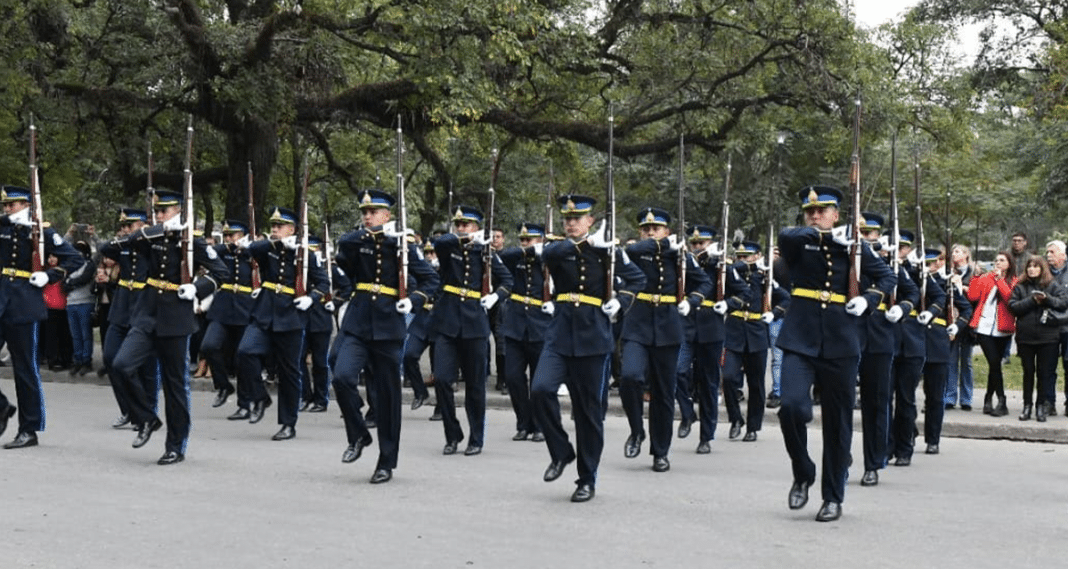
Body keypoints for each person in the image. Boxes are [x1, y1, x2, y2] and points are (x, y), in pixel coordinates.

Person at [776, 186, 894, 522]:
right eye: (810, 211)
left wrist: (868, 299)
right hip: (800, 337)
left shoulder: (855, 247)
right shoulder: (800, 241)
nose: (815, 215)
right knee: (791, 408)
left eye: (823, 210)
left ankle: (833, 497)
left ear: (836, 213)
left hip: (841, 341)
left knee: (838, 422)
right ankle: (803, 469)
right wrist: (828, 236)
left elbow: (887, 277)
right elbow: (786, 237)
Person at [530, 194, 645, 502]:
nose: (570, 223)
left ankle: (587, 479)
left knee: (588, 413)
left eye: (577, 219)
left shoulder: (610, 251)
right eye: (567, 219)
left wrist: (619, 302)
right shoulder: (558, 247)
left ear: (590, 220)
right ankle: (560, 451)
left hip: (594, 336)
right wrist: (590, 243)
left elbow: (637, 279)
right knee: (540, 389)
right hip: (560, 335)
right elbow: (548, 254)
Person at [109, 190, 228, 465]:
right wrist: (159, 229)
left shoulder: (193, 241)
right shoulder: (153, 235)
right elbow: (124, 242)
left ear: (180, 211)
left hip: (176, 317)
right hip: (147, 312)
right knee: (121, 365)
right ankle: (147, 418)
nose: (160, 215)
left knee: (175, 385)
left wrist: (196, 288)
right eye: (158, 211)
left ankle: (175, 445)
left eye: (165, 211)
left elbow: (219, 272)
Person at [331, 188, 439, 483]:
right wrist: (379, 234)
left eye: (373, 212)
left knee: (389, 399)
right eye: (364, 212)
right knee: (341, 377)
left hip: (389, 327)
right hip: (358, 322)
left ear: (388, 215)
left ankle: (386, 462)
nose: (367, 216)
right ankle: (358, 435)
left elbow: (431, 280)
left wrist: (414, 300)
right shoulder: (359, 240)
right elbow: (343, 245)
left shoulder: (405, 246)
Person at [618, 207, 711, 472]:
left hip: (669, 327)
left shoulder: (680, 256)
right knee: (630, 377)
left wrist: (692, 301)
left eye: (656, 229)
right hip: (637, 325)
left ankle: (660, 451)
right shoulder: (636, 252)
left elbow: (703, 283)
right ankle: (636, 430)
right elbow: (626, 256)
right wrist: (656, 245)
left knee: (663, 393)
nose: (650, 233)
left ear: (667, 231)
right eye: (646, 229)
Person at [0, 185, 86, 448]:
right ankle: (2, 407)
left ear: (26, 204)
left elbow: (74, 259)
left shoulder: (42, 231)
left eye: (11, 205)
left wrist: (49, 275)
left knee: (25, 369)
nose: (6, 209)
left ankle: (29, 429)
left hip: (24, 303)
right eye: (5, 205)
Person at [236, 206, 328, 440]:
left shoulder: (307, 254)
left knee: (289, 372)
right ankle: (260, 397)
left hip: (291, 315)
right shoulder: (269, 249)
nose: (274, 229)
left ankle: (288, 423)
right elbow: (251, 249)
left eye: (280, 226)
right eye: (273, 226)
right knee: (245, 352)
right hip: (265, 311)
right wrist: (276, 242)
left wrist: (312, 298)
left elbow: (323, 283)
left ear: (293, 229)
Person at [430, 205, 512, 456]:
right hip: (447, 322)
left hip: (475, 324)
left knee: (476, 386)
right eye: (459, 225)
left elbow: (508, 281)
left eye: (467, 225)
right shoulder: (450, 246)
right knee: (443, 379)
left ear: (477, 226)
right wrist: (465, 238)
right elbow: (439, 241)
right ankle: (452, 433)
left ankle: (476, 437)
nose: (461, 228)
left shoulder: (486, 253)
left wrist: (495, 297)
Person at [674, 225, 749, 453]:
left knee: (708, 384)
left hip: (711, 329)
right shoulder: (682, 263)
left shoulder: (721, 266)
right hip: (685, 327)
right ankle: (688, 414)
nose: (697, 247)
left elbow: (745, 293)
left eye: (701, 243)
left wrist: (728, 304)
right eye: (694, 243)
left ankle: (706, 436)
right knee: (675, 371)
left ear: (710, 243)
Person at [856, 215, 917, 487]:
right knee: (840, 402)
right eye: (863, 232)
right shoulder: (847, 256)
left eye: (873, 232)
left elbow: (912, 292)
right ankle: (839, 455)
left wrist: (901, 308)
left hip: (879, 335)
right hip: (844, 333)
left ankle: (874, 461)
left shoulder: (889, 264)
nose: (869, 237)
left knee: (877, 402)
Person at [99, 208, 161, 430]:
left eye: (129, 225)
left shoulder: (153, 244)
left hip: (144, 305)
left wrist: (147, 234)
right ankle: (128, 409)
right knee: (110, 357)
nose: (125, 230)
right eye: (123, 226)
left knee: (146, 366)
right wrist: (127, 237)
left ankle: (148, 411)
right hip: (123, 305)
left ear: (143, 225)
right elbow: (104, 248)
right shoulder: (124, 244)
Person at [721, 241, 787, 442]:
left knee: (756, 384)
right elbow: (728, 270)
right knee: (729, 378)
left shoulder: (765, 279)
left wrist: (774, 313)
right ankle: (735, 419)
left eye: (747, 256)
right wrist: (749, 265)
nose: (742, 260)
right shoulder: (731, 276)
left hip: (757, 333)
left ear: (757, 255)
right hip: (734, 332)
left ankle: (752, 426)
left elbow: (785, 299)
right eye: (739, 256)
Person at [497, 222, 551, 442]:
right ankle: (523, 423)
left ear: (541, 240)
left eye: (530, 240)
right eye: (522, 240)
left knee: (539, 382)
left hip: (541, 327)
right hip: (516, 326)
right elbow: (501, 255)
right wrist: (528, 250)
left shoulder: (550, 260)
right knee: (513, 378)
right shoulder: (516, 258)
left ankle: (539, 425)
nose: (525, 243)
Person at [199, 220, 255, 415]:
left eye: (233, 235)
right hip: (222, 307)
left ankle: (244, 404)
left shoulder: (253, 252)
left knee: (242, 359)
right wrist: (230, 245)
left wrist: (249, 247)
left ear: (244, 235)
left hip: (245, 307)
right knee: (209, 345)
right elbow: (210, 251)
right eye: (227, 235)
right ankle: (223, 385)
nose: (229, 238)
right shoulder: (223, 252)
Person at [919, 249, 972, 455]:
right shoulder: (916, 282)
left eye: (935, 263)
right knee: (904, 394)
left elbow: (966, 309)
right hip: (912, 340)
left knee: (935, 396)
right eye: (927, 263)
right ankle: (907, 430)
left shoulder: (947, 285)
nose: (931, 267)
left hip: (938, 342)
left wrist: (957, 326)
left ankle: (933, 438)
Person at [1008, 256, 1067, 422]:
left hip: (1048, 337)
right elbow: (1013, 307)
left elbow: (1063, 303)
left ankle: (1041, 406)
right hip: (1026, 338)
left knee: (1045, 373)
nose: (1032, 269)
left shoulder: (1053, 285)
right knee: (1028, 372)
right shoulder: (1020, 287)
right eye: (1029, 267)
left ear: (1042, 269)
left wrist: (1046, 299)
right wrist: (1032, 301)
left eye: (1035, 266)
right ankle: (1027, 405)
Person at [967, 251, 1017, 417]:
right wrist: (975, 277)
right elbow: (973, 296)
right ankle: (1001, 401)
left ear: (1009, 264)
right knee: (995, 363)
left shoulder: (1014, 280)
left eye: (1002, 260)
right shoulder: (986, 277)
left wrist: (1000, 280)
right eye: (996, 260)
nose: (998, 263)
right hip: (983, 327)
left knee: (994, 366)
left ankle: (988, 399)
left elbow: (1010, 298)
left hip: (1003, 328)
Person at [945, 244, 978, 410]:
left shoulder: (975, 273)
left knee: (966, 361)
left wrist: (963, 287)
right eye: (952, 251)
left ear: (966, 254)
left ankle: (966, 398)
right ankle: (950, 397)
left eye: (957, 251)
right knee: (951, 361)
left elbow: (979, 295)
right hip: (952, 320)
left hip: (968, 321)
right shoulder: (948, 272)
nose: (953, 254)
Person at [65, 240, 97, 376]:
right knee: (75, 335)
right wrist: (70, 283)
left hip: (85, 302)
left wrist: (70, 282)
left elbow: (83, 279)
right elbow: (63, 284)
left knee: (85, 335)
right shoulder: (69, 265)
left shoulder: (89, 265)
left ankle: (86, 361)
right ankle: (77, 360)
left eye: (80, 250)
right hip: (71, 303)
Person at [1044, 240, 1068, 416]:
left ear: (1063, 255)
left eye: (1052, 252)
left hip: (1067, 327)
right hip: (1049, 326)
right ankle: (1048, 402)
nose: (1048, 255)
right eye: (1047, 252)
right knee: (1048, 366)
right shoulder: (1042, 274)